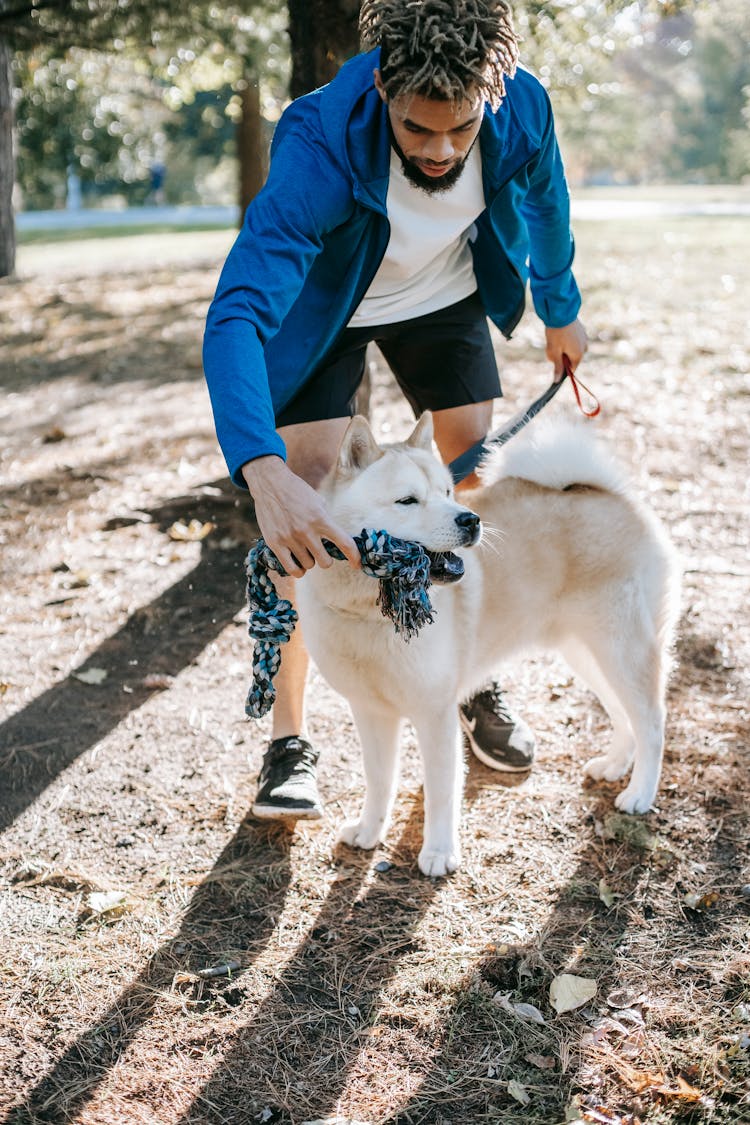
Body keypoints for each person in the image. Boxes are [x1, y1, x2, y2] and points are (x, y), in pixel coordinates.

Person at [203, 0, 588, 820]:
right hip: (328, 305)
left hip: (442, 295)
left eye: (461, 130)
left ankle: (465, 675)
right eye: (419, 131)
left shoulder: (521, 104)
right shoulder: (319, 140)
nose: (443, 151)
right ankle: (289, 740)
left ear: (493, 89)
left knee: (467, 474)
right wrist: (261, 467)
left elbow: (548, 204)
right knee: (309, 491)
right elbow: (237, 311)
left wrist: (560, 306)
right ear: (383, 89)